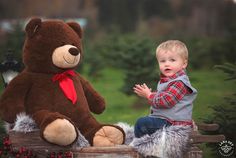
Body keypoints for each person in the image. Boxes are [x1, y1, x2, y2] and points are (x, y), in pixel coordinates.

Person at [133, 40, 197, 138]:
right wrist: (150, 93)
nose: (167, 64)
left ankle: (140, 145)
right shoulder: (169, 81)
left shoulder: (179, 83)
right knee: (145, 121)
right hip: (168, 121)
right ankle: (149, 143)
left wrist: (149, 95)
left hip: (175, 125)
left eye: (172, 60)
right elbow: (165, 95)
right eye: (162, 61)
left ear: (184, 64)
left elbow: (167, 101)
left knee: (142, 123)